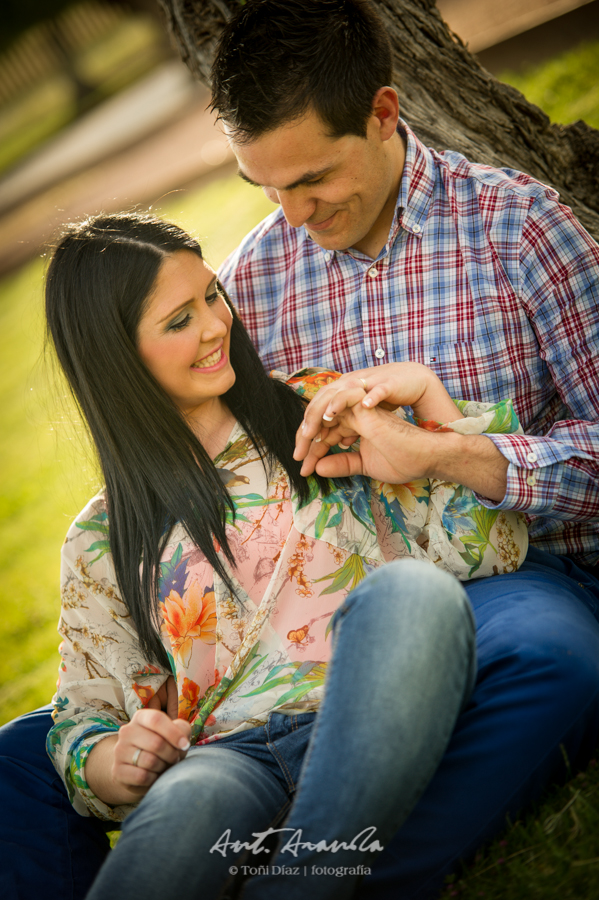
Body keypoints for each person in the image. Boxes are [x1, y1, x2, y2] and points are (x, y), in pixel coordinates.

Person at [1, 0, 599, 897]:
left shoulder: (516, 230)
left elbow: (497, 506)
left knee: (538, 648)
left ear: (384, 115)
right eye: (263, 187)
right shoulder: (254, 277)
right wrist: (110, 750)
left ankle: (320, 875)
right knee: (29, 755)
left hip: (501, 576)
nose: (291, 214)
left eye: (312, 178)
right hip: (256, 696)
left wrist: (439, 440)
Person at [42, 212, 526, 900]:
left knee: (413, 594)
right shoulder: (101, 538)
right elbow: (79, 711)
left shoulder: (318, 412)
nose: (216, 326)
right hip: (227, 758)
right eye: (179, 320)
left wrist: (425, 402)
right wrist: (104, 761)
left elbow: (492, 548)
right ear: (115, 355)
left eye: (211, 295)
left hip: (371, 705)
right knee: (180, 817)